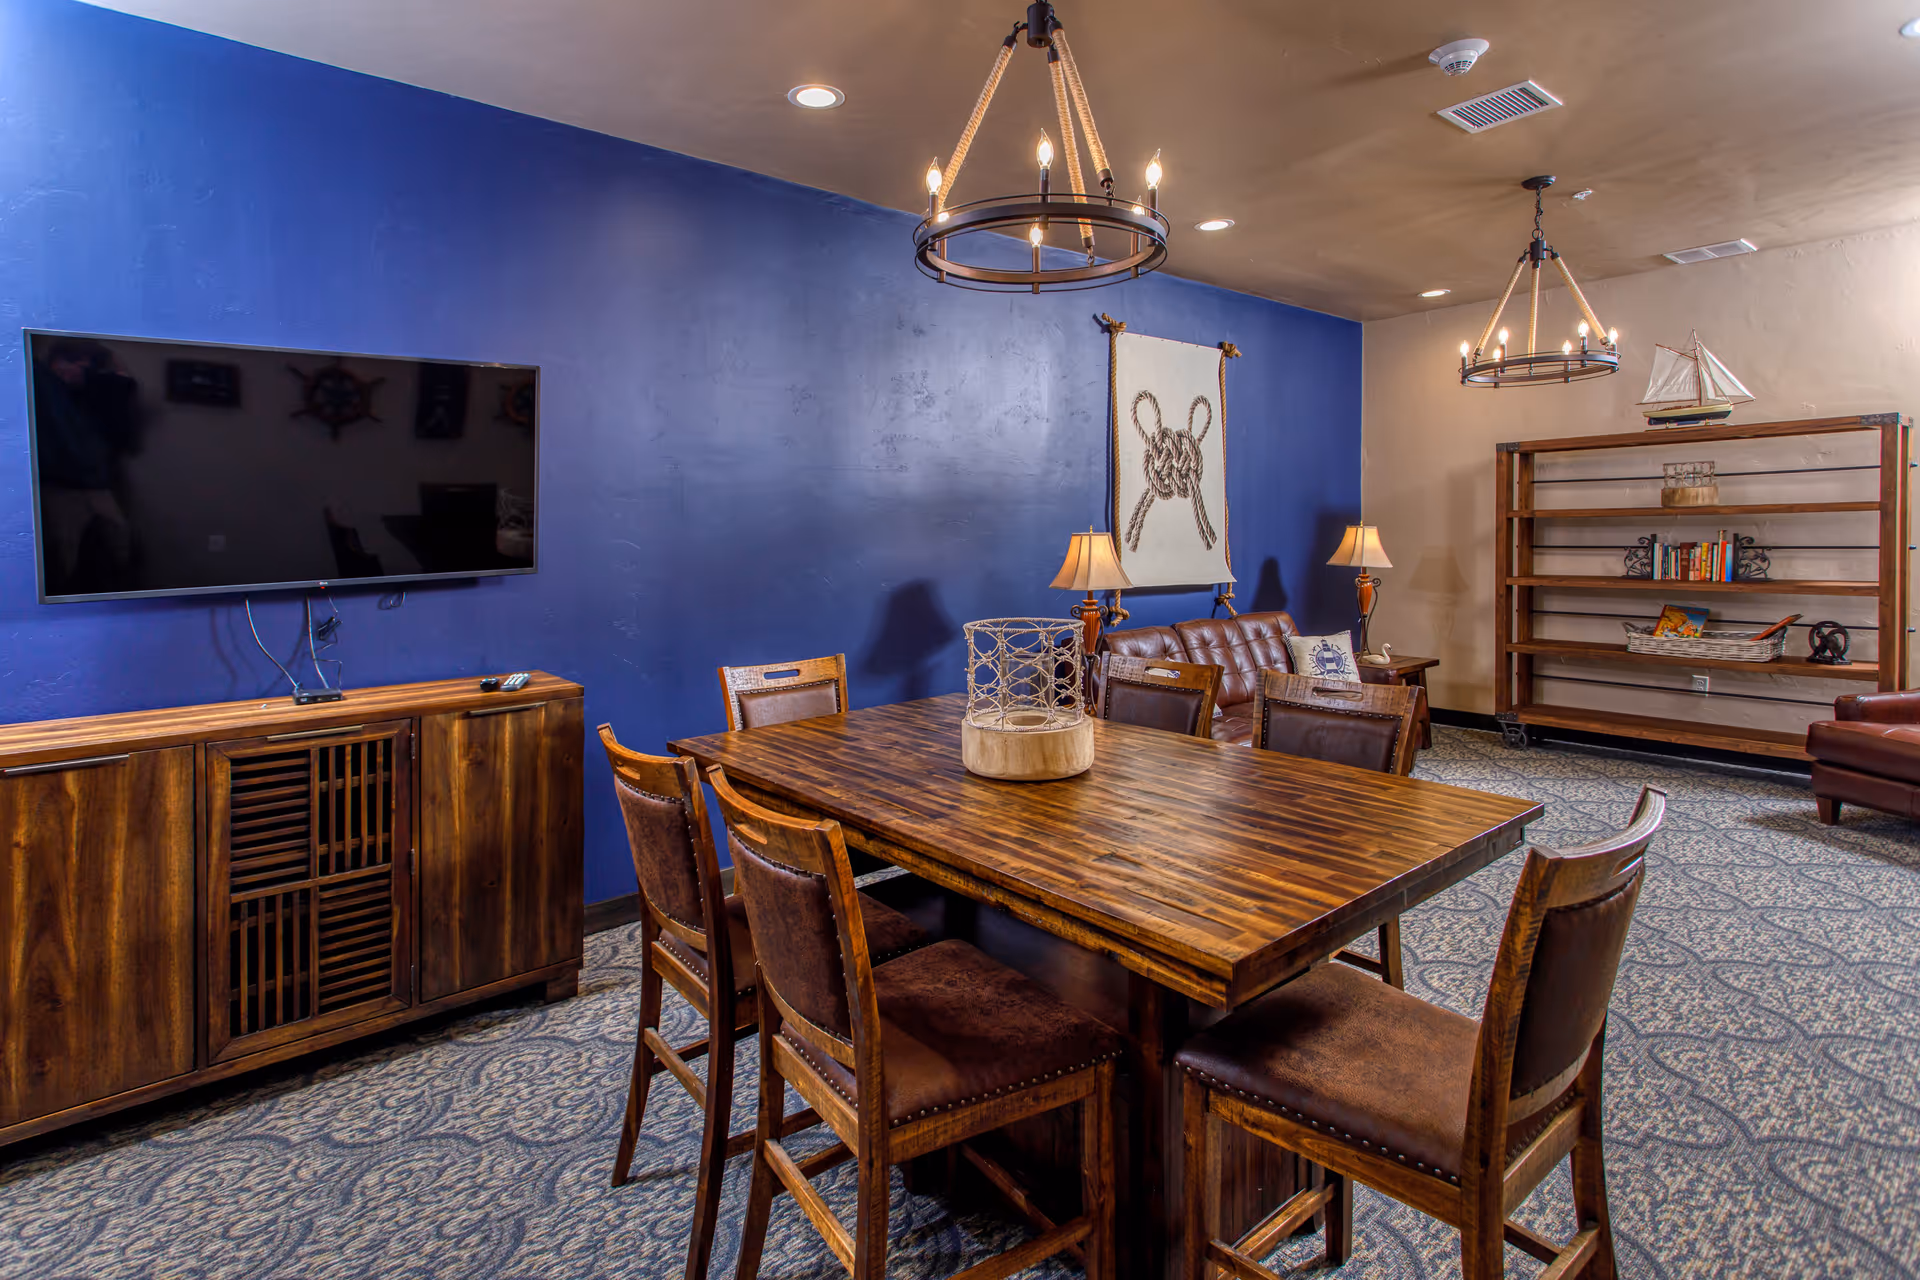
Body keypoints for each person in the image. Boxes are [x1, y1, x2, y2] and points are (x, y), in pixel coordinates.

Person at [33, 338, 141, 594]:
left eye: (87, 367)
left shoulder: (86, 396)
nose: (80, 373)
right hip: (60, 484)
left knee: (120, 540)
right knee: (64, 551)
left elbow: (124, 384)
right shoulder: (44, 385)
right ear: (57, 363)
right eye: (76, 365)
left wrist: (106, 363)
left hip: (95, 482)